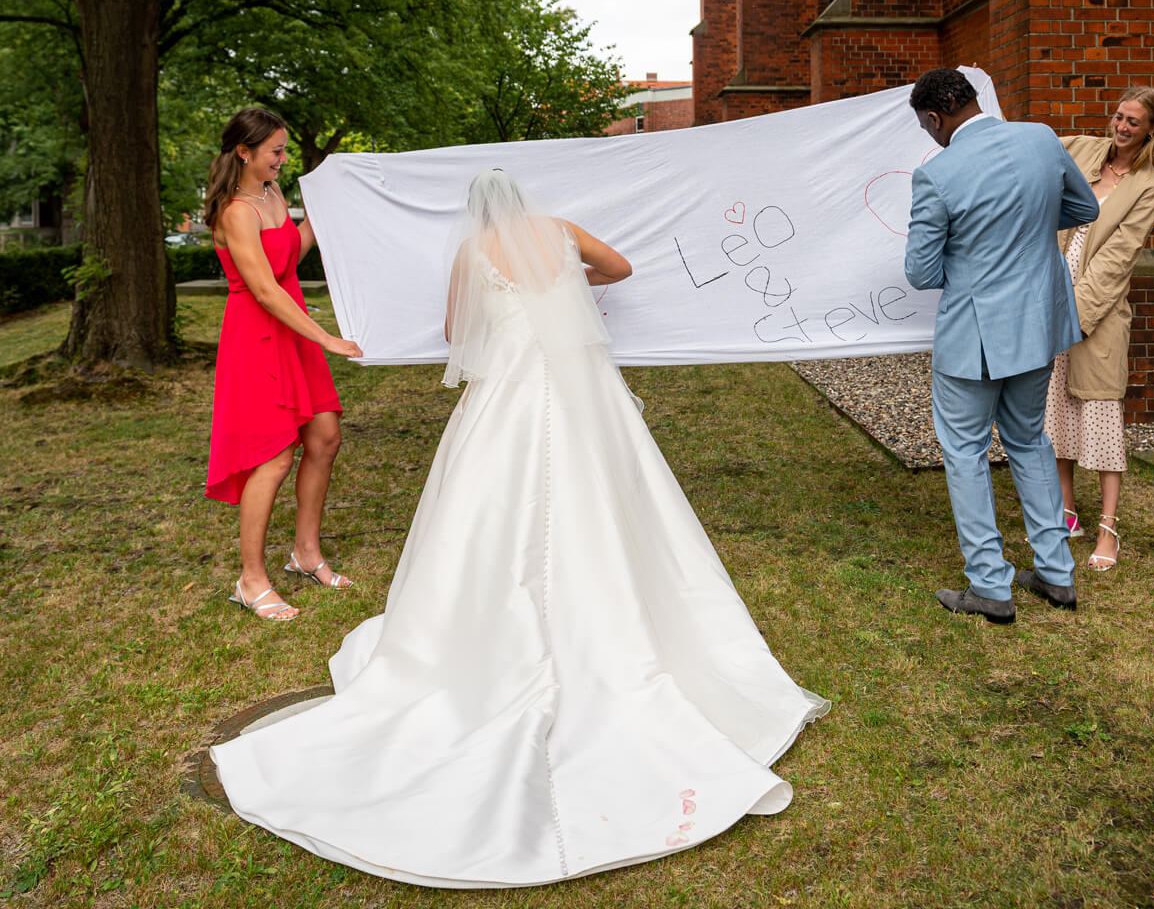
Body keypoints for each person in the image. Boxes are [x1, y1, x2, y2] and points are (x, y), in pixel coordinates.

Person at [209, 170, 828, 887]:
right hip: (580, 386)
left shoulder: (474, 253)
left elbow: (452, 332)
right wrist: (563, 289)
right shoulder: (562, 234)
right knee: (610, 494)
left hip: (506, 392)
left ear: (476, 215)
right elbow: (621, 268)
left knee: (488, 506)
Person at [904, 67, 1099, 624]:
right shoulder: (1041, 137)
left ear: (935, 117)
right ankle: (1057, 574)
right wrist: (1031, 227)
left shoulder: (937, 174)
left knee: (965, 452)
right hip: (1039, 326)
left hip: (975, 335)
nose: (929, 136)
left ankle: (991, 585)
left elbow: (920, 272)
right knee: (1028, 440)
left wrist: (970, 251)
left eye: (926, 127)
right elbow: (1085, 208)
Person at [204, 107, 363, 622]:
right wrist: (326, 337)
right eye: (275, 150)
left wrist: (323, 212)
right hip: (258, 335)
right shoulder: (235, 209)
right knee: (272, 458)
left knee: (324, 437)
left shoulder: (272, 195)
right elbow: (265, 288)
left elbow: (288, 256)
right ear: (244, 152)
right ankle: (251, 580)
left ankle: (306, 554)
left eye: (284, 149)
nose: (283, 158)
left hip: (291, 330)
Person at [1046, 87, 1154, 572]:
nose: (1120, 127)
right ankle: (1067, 513)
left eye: (1133, 122)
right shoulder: (1084, 150)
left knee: (1100, 417)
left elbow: (1117, 261)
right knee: (1055, 414)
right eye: (1118, 117)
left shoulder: (1148, 186)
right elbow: (1037, 147)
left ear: (1151, 130)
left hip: (1095, 313)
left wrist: (1072, 317)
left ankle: (1108, 529)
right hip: (1051, 296)